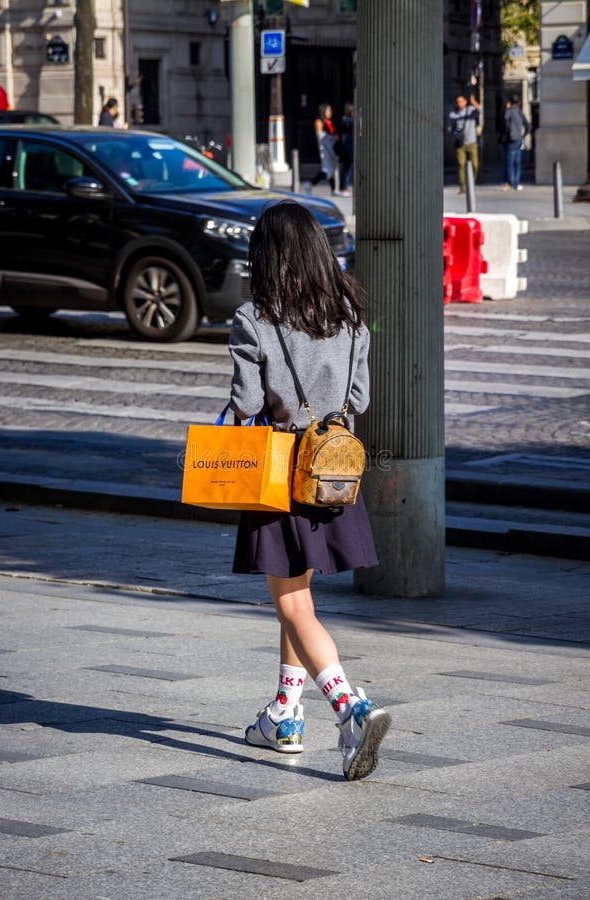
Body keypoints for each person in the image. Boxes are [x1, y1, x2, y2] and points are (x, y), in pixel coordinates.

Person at [228, 201, 390, 781]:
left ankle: (350, 708)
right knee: (296, 598)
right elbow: (361, 400)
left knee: (292, 603)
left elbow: (247, 405)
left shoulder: (255, 317)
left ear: (266, 256)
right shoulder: (349, 314)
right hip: (335, 472)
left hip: (282, 472)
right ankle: (285, 714)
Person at [302, 104, 349, 198]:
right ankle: (310, 184)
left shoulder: (329, 122)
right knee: (327, 168)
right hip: (324, 148)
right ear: (323, 111)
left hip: (331, 147)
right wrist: (332, 138)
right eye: (328, 110)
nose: (330, 112)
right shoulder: (318, 122)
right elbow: (320, 136)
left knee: (330, 168)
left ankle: (332, 189)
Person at [448, 93, 481, 194]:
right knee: (461, 164)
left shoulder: (470, 110)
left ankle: (471, 183)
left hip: (471, 142)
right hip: (460, 144)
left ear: (465, 102)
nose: (460, 104)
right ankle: (462, 186)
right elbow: (449, 128)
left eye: (461, 101)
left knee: (475, 165)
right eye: (458, 102)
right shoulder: (453, 114)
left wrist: (474, 102)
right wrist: (455, 134)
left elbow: (480, 110)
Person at [503, 94, 530, 192]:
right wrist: (523, 135)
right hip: (519, 139)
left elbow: (505, 122)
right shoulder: (519, 112)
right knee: (517, 162)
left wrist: (507, 133)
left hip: (511, 139)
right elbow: (527, 125)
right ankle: (517, 182)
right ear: (518, 102)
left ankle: (512, 182)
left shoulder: (509, 111)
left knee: (510, 162)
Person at [340, 101, 354, 193]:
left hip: (348, 146)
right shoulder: (347, 120)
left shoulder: (347, 120)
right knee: (347, 168)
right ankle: (344, 187)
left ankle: (344, 186)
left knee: (348, 167)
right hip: (348, 147)